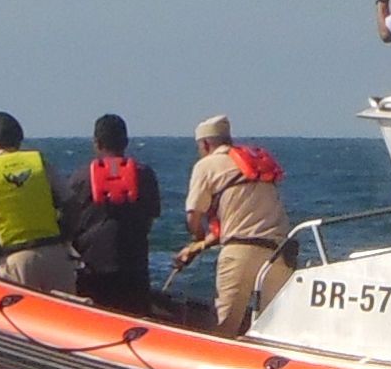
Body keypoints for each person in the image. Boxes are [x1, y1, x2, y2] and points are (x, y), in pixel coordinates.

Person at [181, 116, 291, 335]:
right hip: (280, 254)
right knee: (273, 330)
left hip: (240, 254)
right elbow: (244, 219)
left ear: (205, 144)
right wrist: (199, 247)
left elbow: (194, 217)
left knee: (225, 326)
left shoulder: (207, 165)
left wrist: (196, 239)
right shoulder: (251, 164)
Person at [0, 112, 76, 294]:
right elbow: (71, 203)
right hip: (56, 256)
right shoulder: (40, 163)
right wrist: (65, 237)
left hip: (15, 261)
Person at [61, 113, 164, 314]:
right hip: (134, 268)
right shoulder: (145, 174)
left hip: (93, 270)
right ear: (125, 142)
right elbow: (151, 217)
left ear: (96, 143)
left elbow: (67, 221)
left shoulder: (80, 178)